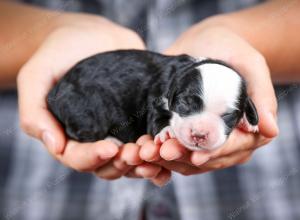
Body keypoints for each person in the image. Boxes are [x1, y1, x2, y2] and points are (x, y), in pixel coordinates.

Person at [0, 0, 299, 219]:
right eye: (189, 106)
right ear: (173, 94)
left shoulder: (187, 83)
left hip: (261, 191)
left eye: (226, 117)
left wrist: (251, 39)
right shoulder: (165, 88)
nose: (199, 129)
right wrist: (42, 37)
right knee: (91, 121)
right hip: (39, 187)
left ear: (247, 111)